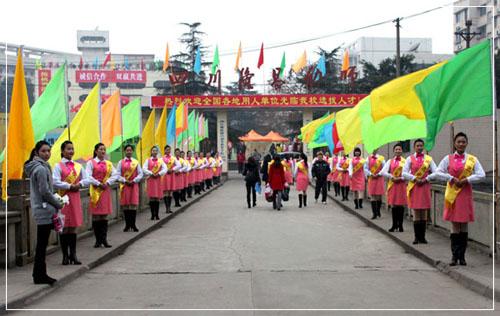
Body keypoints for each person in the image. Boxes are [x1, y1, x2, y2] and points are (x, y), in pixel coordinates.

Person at [433, 133, 485, 266]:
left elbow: (482, 174)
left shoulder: (472, 159)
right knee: (455, 224)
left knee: (464, 224)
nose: (461, 144)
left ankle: (462, 256)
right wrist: (451, 178)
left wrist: (467, 179)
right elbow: (438, 172)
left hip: (465, 194)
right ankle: (454, 256)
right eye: (459, 142)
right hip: (452, 195)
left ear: (467, 143)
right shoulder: (447, 158)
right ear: (455, 143)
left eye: (463, 142)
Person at [24, 141, 64, 285]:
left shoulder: (40, 166)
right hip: (43, 209)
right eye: (43, 151)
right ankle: (40, 275)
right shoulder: (40, 169)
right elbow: (45, 191)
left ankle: (39, 274)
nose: (47, 153)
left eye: (49, 151)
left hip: (42, 208)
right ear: (37, 152)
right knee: (42, 245)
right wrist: (57, 203)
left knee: (42, 244)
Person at [53, 141, 90, 265]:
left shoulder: (78, 166)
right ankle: (65, 256)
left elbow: (87, 180)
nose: (71, 151)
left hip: (75, 199)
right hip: (63, 200)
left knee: (73, 228)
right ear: (62, 151)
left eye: (72, 149)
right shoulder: (58, 166)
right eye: (68, 149)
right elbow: (55, 181)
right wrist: (69, 185)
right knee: (64, 228)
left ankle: (73, 255)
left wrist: (79, 184)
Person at [402, 139, 438, 245]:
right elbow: (404, 173)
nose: (419, 147)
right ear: (414, 147)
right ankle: (416, 237)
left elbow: (436, 172)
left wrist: (427, 178)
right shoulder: (409, 158)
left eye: (421, 145)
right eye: (417, 145)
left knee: (424, 213)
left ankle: (423, 237)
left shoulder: (428, 159)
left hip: (425, 186)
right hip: (415, 186)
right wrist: (414, 178)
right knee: (416, 212)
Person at [87, 143, 119, 248]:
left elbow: (116, 174)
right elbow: (88, 176)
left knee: (104, 215)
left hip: (105, 190)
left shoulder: (109, 163)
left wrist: (108, 182)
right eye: (101, 149)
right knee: (96, 216)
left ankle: (104, 239)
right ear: (96, 151)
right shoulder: (90, 163)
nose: (103, 151)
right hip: (95, 192)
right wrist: (98, 183)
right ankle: (97, 240)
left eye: (104, 149)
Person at [381, 143, 407, 232]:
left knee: (401, 205)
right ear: (394, 151)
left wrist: (401, 178)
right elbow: (383, 172)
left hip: (402, 185)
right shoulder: (390, 161)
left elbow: (409, 172)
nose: (398, 151)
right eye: (396, 149)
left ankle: (400, 225)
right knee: (394, 205)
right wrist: (391, 177)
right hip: (393, 185)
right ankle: (394, 224)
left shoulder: (405, 161)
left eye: (399, 149)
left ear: (402, 151)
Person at [116, 144, 143, 232]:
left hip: (133, 185)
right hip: (125, 186)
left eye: (130, 150)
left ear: (132, 151)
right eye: (127, 150)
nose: (129, 152)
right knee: (126, 206)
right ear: (124, 151)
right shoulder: (121, 162)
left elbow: (140, 173)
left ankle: (133, 224)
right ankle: (127, 225)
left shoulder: (136, 162)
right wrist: (124, 180)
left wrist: (134, 180)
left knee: (133, 205)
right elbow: (117, 174)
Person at [143, 146, 167, 220]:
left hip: (158, 180)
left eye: (156, 151)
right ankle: (152, 214)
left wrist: (159, 173)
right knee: (151, 198)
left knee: (157, 198)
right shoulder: (147, 160)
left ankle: (156, 214)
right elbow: (144, 168)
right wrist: (151, 173)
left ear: (157, 152)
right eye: (153, 150)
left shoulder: (160, 161)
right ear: (151, 152)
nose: (154, 152)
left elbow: (165, 168)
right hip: (151, 180)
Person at [364, 149, 385, 219]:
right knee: (373, 195)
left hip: (379, 178)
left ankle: (378, 210)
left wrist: (379, 174)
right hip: (372, 178)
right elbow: (365, 168)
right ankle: (374, 213)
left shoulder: (381, 158)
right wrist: (370, 174)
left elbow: (384, 168)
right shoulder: (368, 158)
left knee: (379, 196)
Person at [162, 145, 180, 213]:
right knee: (166, 192)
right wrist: (166, 170)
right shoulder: (162, 158)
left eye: (169, 150)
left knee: (170, 192)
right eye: (167, 149)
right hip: (165, 176)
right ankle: (166, 208)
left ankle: (169, 208)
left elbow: (178, 165)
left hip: (171, 175)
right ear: (164, 150)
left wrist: (172, 169)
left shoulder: (173, 158)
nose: (168, 151)